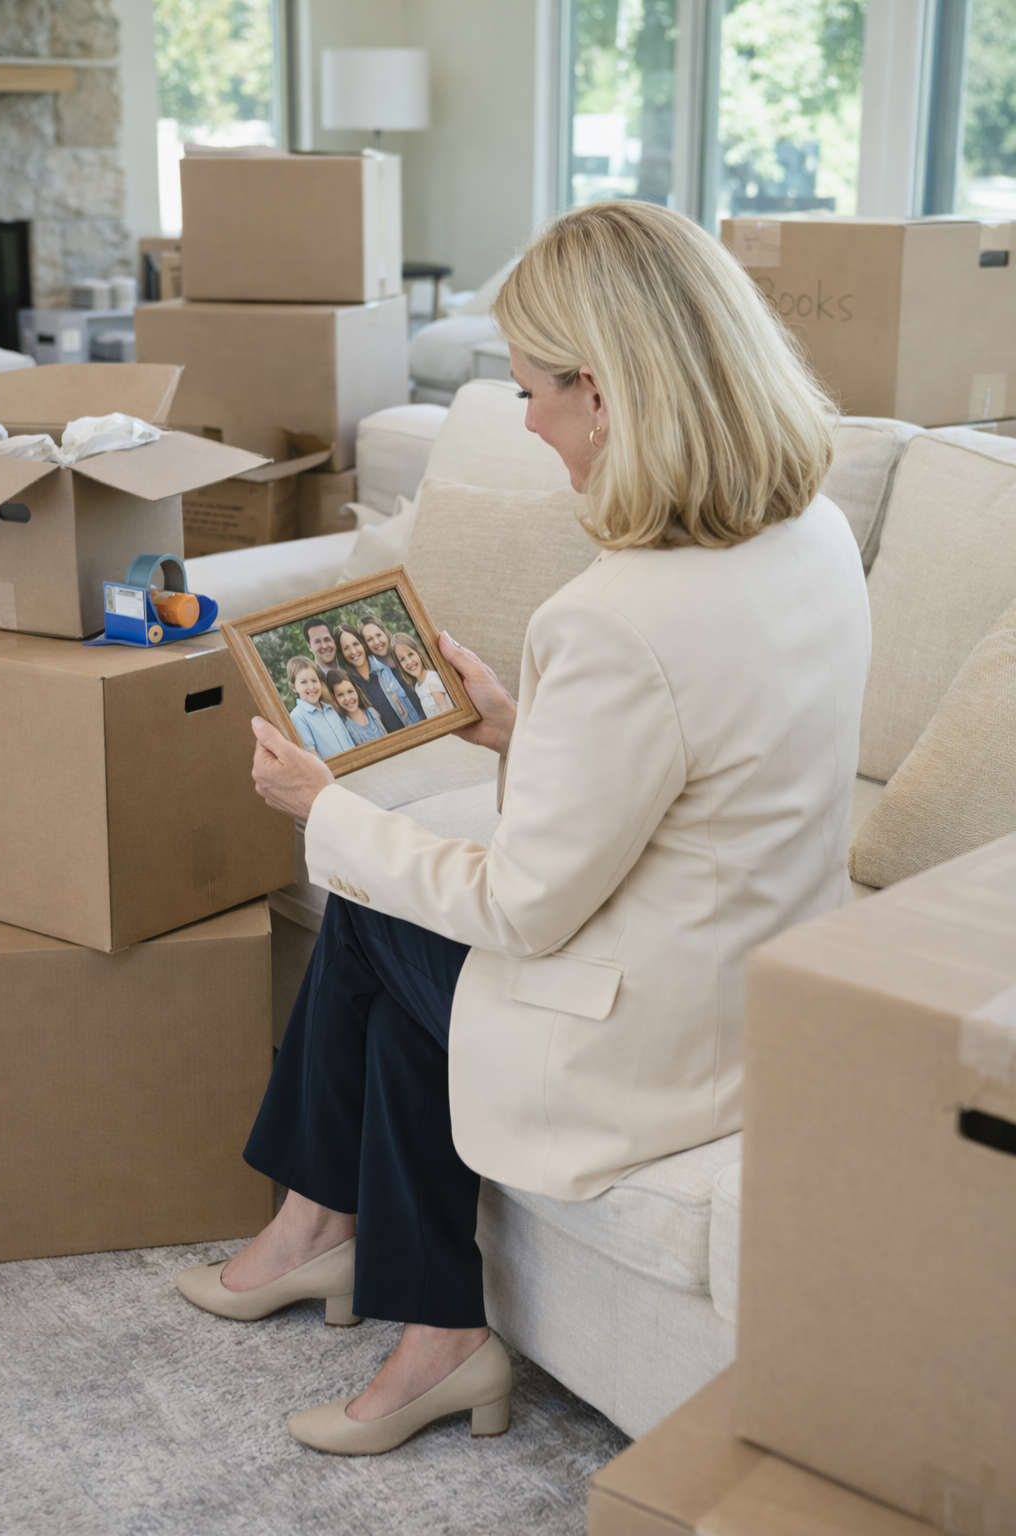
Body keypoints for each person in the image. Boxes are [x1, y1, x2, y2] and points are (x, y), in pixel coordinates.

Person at [177, 202, 869, 1458]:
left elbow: (522, 907)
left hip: (646, 1045)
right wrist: (511, 727)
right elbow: (705, 766)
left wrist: (324, 812)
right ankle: (412, 1311)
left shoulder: (617, 614)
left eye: (531, 387)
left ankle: (325, 1234)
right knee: (390, 962)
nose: (525, 414)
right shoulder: (809, 535)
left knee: (366, 923)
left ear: (603, 393)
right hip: (751, 984)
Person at [332, 623, 412, 735]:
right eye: (346, 648)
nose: (353, 651)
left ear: (362, 644)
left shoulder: (387, 667)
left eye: (355, 644)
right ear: (341, 653)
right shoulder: (348, 686)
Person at [358, 614, 424, 721]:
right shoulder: (372, 677)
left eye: (378, 635)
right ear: (365, 644)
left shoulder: (408, 657)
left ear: (385, 632)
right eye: (369, 639)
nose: (376, 642)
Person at [285, 657, 354, 759]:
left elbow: (348, 740)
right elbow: (311, 753)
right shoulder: (297, 717)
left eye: (314, 681)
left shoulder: (330, 709)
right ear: (294, 687)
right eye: (303, 682)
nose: (311, 687)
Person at [391, 633, 451, 717]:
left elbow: (448, 715)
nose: (409, 662)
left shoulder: (432, 681)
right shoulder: (417, 686)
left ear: (418, 652)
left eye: (410, 654)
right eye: (403, 659)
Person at [328, 668, 388, 747]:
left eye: (350, 691)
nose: (348, 698)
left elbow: (387, 737)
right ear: (334, 698)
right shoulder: (346, 727)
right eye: (340, 695)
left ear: (356, 690)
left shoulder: (371, 713)